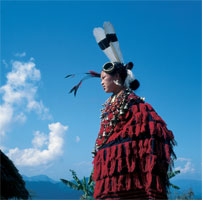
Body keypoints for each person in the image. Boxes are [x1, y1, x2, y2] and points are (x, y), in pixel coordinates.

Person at [92, 62, 176, 199]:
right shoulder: (110, 106)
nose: (101, 82)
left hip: (128, 176)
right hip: (110, 178)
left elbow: (152, 130)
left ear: (116, 76)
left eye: (103, 77)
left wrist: (128, 152)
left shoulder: (134, 104)